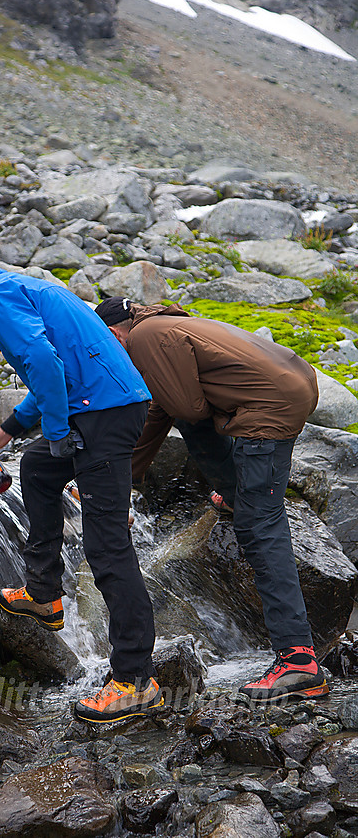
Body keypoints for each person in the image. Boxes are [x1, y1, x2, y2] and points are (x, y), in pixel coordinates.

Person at [0, 232, 163, 723]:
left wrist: (57, 431)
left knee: (107, 546)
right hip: (105, 405)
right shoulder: (12, 285)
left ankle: (134, 680)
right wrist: (8, 430)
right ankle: (43, 593)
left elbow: (43, 363)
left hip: (105, 412)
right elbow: (54, 371)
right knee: (37, 467)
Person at [94, 297, 329, 704]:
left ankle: (298, 661)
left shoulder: (146, 337)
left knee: (260, 526)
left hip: (269, 407)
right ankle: (238, 494)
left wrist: (115, 478)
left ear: (115, 334)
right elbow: (170, 411)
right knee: (196, 429)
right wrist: (124, 478)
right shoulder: (166, 324)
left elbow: (181, 404)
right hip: (293, 382)